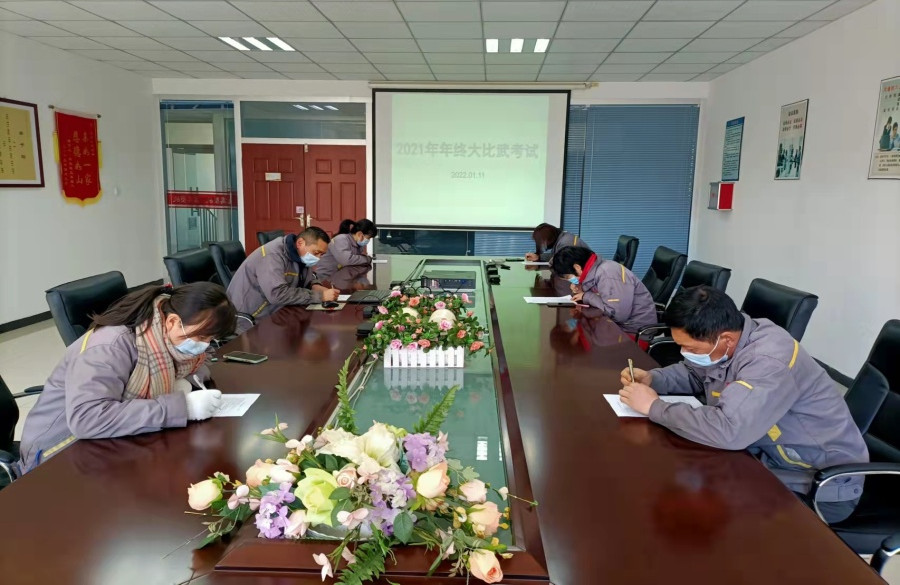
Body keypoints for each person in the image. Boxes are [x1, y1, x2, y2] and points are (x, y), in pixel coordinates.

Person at [618, 286, 868, 523]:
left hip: (816, 483)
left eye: (690, 347)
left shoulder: (768, 361)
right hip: (762, 454)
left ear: (726, 338)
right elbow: (694, 373)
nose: (685, 352)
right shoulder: (727, 341)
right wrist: (654, 379)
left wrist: (654, 407)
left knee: (702, 506)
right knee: (682, 475)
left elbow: (730, 431)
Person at [19, 282, 236, 472]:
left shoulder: (166, 335)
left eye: (211, 339)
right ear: (172, 321)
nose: (205, 345)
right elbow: (87, 418)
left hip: (113, 436)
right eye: (202, 337)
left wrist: (182, 382)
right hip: (58, 450)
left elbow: (199, 362)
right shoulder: (110, 346)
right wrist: (182, 408)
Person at [227, 226, 337, 319]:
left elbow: (306, 277)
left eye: (321, 254)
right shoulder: (271, 256)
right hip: (251, 318)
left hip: (276, 310)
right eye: (316, 253)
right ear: (300, 243)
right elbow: (277, 294)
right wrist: (320, 296)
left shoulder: (300, 254)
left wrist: (315, 285)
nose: (318, 258)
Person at [551, 245, 657, 334]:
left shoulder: (608, 274)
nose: (569, 281)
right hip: (618, 326)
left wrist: (586, 296)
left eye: (568, 277)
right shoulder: (596, 270)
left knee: (587, 344)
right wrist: (581, 287)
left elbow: (617, 315)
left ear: (577, 267)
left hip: (633, 331)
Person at [524, 223, 588, 264]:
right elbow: (556, 256)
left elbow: (562, 262)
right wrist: (538, 257)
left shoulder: (566, 242)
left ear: (550, 239)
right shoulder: (561, 239)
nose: (544, 246)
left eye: (543, 243)